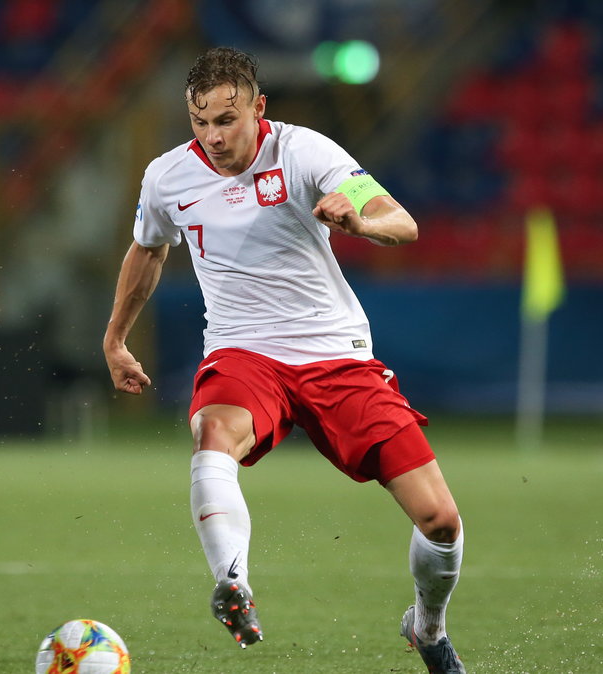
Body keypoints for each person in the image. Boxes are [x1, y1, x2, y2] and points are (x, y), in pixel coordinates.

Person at [103, 47, 466, 673]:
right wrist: (114, 339)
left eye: (226, 119)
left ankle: (427, 628)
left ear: (258, 108)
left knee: (440, 520)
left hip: (335, 356)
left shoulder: (306, 152)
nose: (213, 137)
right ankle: (233, 582)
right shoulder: (167, 176)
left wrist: (359, 221)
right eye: (199, 122)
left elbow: (400, 223)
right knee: (212, 433)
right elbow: (148, 250)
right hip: (244, 351)